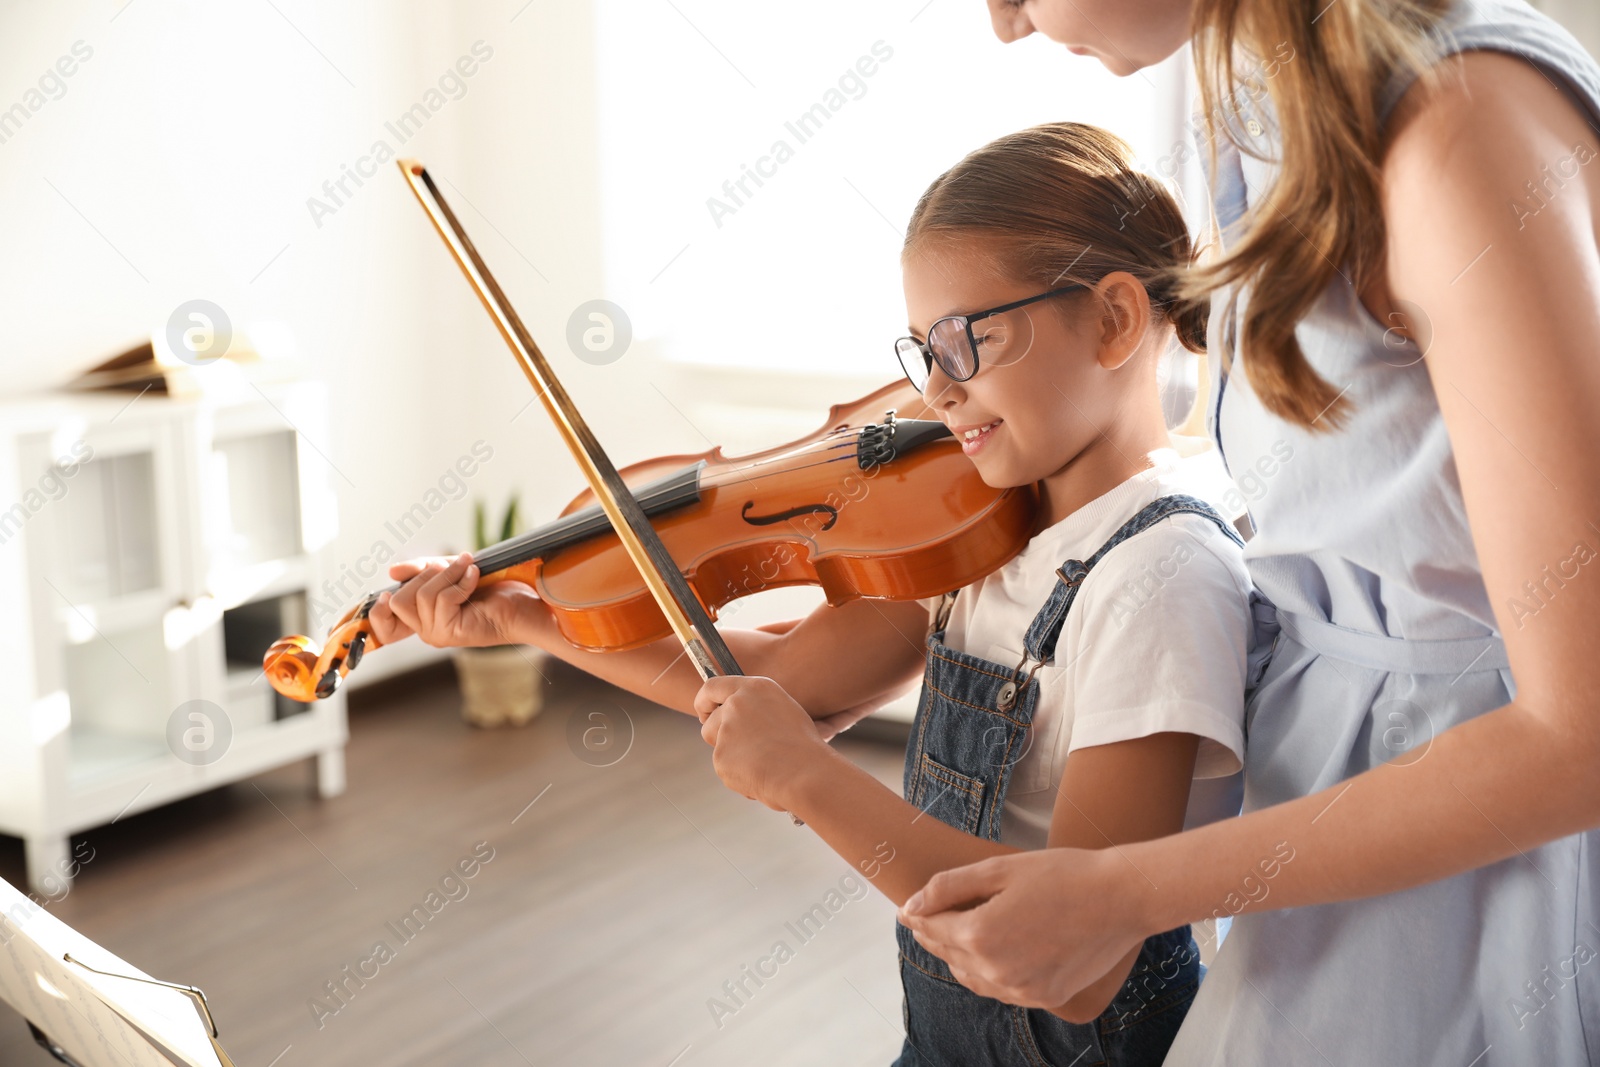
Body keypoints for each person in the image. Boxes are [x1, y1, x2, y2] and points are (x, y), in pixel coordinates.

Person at [370, 121, 1260, 1065]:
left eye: (968, 339)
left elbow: (1081, 963)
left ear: (1117, 319)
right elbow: (790, 686)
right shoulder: (981, 527)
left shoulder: (1161, 574)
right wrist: (528, 620)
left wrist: (809, 777)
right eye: (924, 349)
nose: (940, 391)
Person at [894, 1, 1600, 1064]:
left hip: (1479, 888)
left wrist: (1125, 888)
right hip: (1335, 832)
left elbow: (1580, 732)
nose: (1004, 22)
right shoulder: (1269, 109)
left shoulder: (1453, 121)